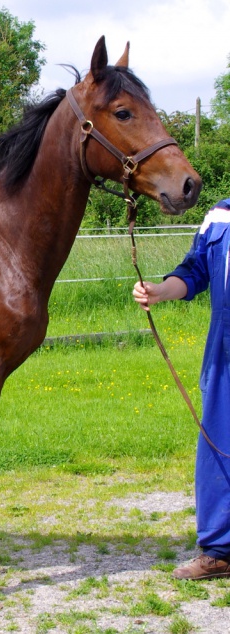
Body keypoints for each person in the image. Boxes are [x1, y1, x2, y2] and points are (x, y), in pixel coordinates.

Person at [132, 198, 230, 580]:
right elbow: (195, 270)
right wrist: (159, 290)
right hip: (224, 347)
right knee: (219, 442)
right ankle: (220, 549)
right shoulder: (220, 217)